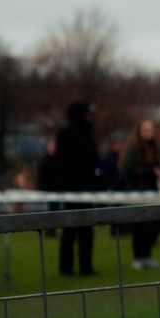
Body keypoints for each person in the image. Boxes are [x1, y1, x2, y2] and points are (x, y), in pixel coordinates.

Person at [55, 101, 101, 276]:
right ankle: (66, 267)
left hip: (87, 189)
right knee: (71, 229)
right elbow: (63, 163)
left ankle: (86, 266)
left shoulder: (88, 134)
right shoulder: (66, 134)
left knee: (87, 229)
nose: (91, 117)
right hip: (72, 189)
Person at [119, 118, 160, 269]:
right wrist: (151, 172)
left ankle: (147, 257)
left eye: (151, 129)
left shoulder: (153, 147)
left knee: (150, 225)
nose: (149, 132)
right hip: (137, 191)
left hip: (150, 190)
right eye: (145, 130)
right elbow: (128, 170)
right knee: (139, 227)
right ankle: (139, 258)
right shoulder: (133, 148)